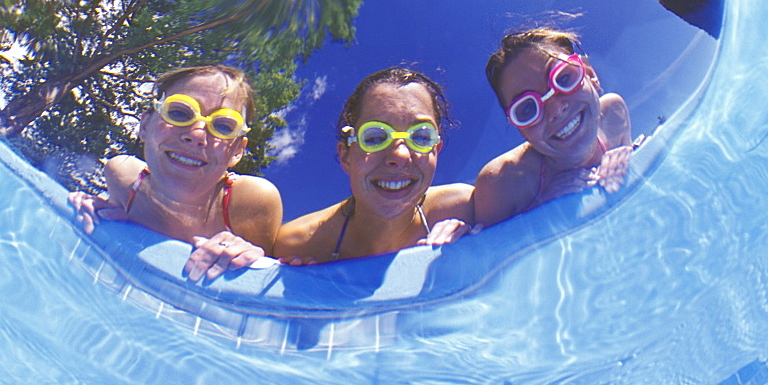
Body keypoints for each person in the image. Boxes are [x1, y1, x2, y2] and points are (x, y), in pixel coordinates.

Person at [68, 65, 282, 282]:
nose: (198, 134)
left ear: (237, 151)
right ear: (145, 124)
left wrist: (245, 252)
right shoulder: (124, 177)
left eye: (224, 126)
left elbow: (261, 283)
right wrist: (92, 208)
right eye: (179, 113)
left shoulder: (249, 202)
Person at [274, 67, 475, 265]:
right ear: (346, 156)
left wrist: (481, 249)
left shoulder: (469, 209)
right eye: (375, 137)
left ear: (436, 150)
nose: (400, 155)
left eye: (421, 137)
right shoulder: (297, 245)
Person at [473, 25, 633, 227]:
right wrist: (540, 211)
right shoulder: (501, 184)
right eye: (528, 109)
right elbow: (489, 253)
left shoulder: (613, 114)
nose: (556, 109)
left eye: (564, 78)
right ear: (521, 129)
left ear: (590, 75)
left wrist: (628, 155)